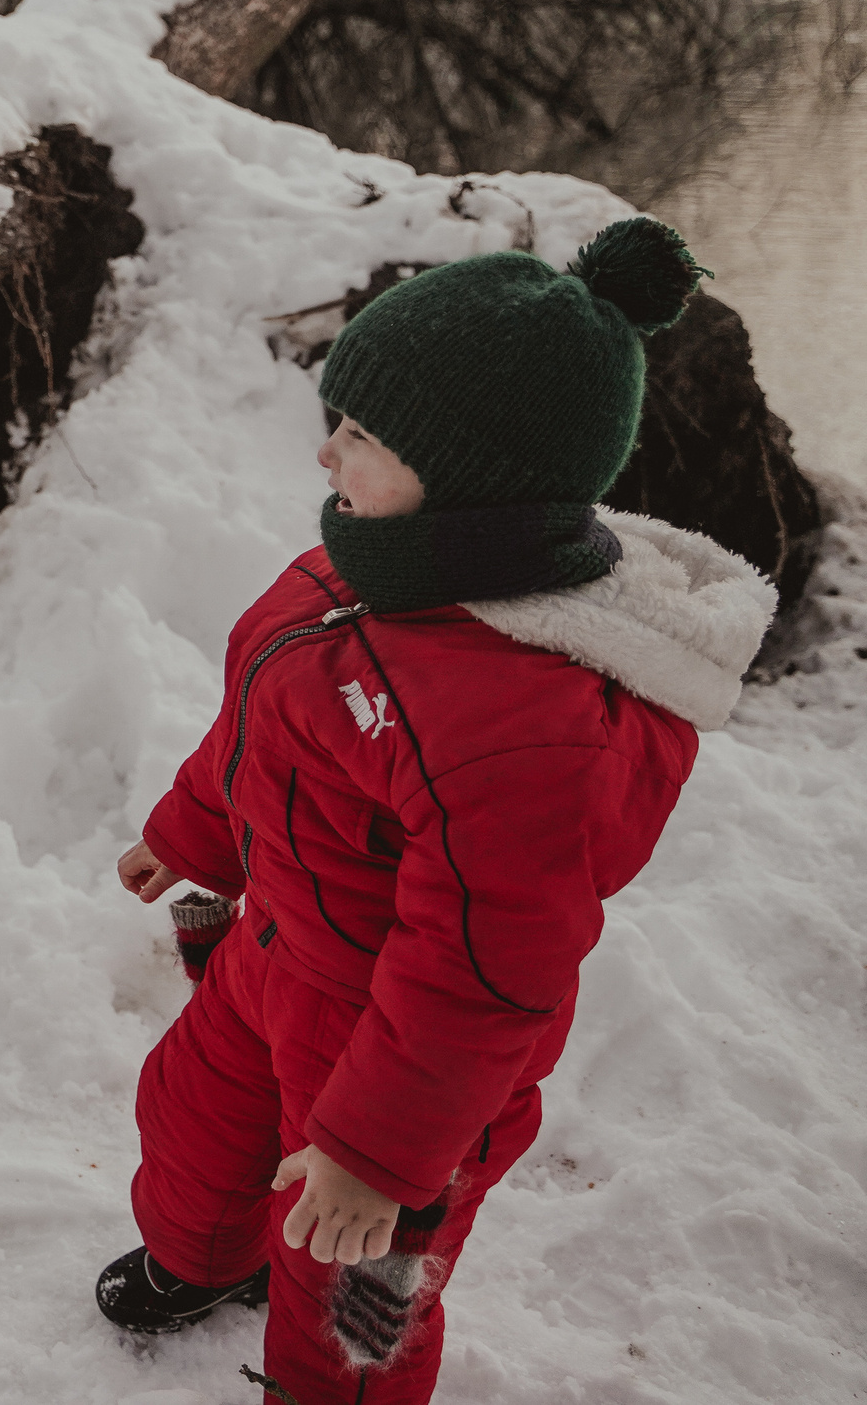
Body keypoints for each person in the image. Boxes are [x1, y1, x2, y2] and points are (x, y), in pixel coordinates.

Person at [94, 220, 779, 1401]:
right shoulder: (358, 573)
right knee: (194, 1120)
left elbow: (484, 970)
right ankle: (204, 1261)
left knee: (361, 1276)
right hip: (277, 960)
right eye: (338, 422)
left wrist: (377, 1155)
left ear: (476, 481)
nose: (326, 457)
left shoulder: (520, 721)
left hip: (402, 1046)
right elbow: (260, 725)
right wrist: (192, 830)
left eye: (361, 437)